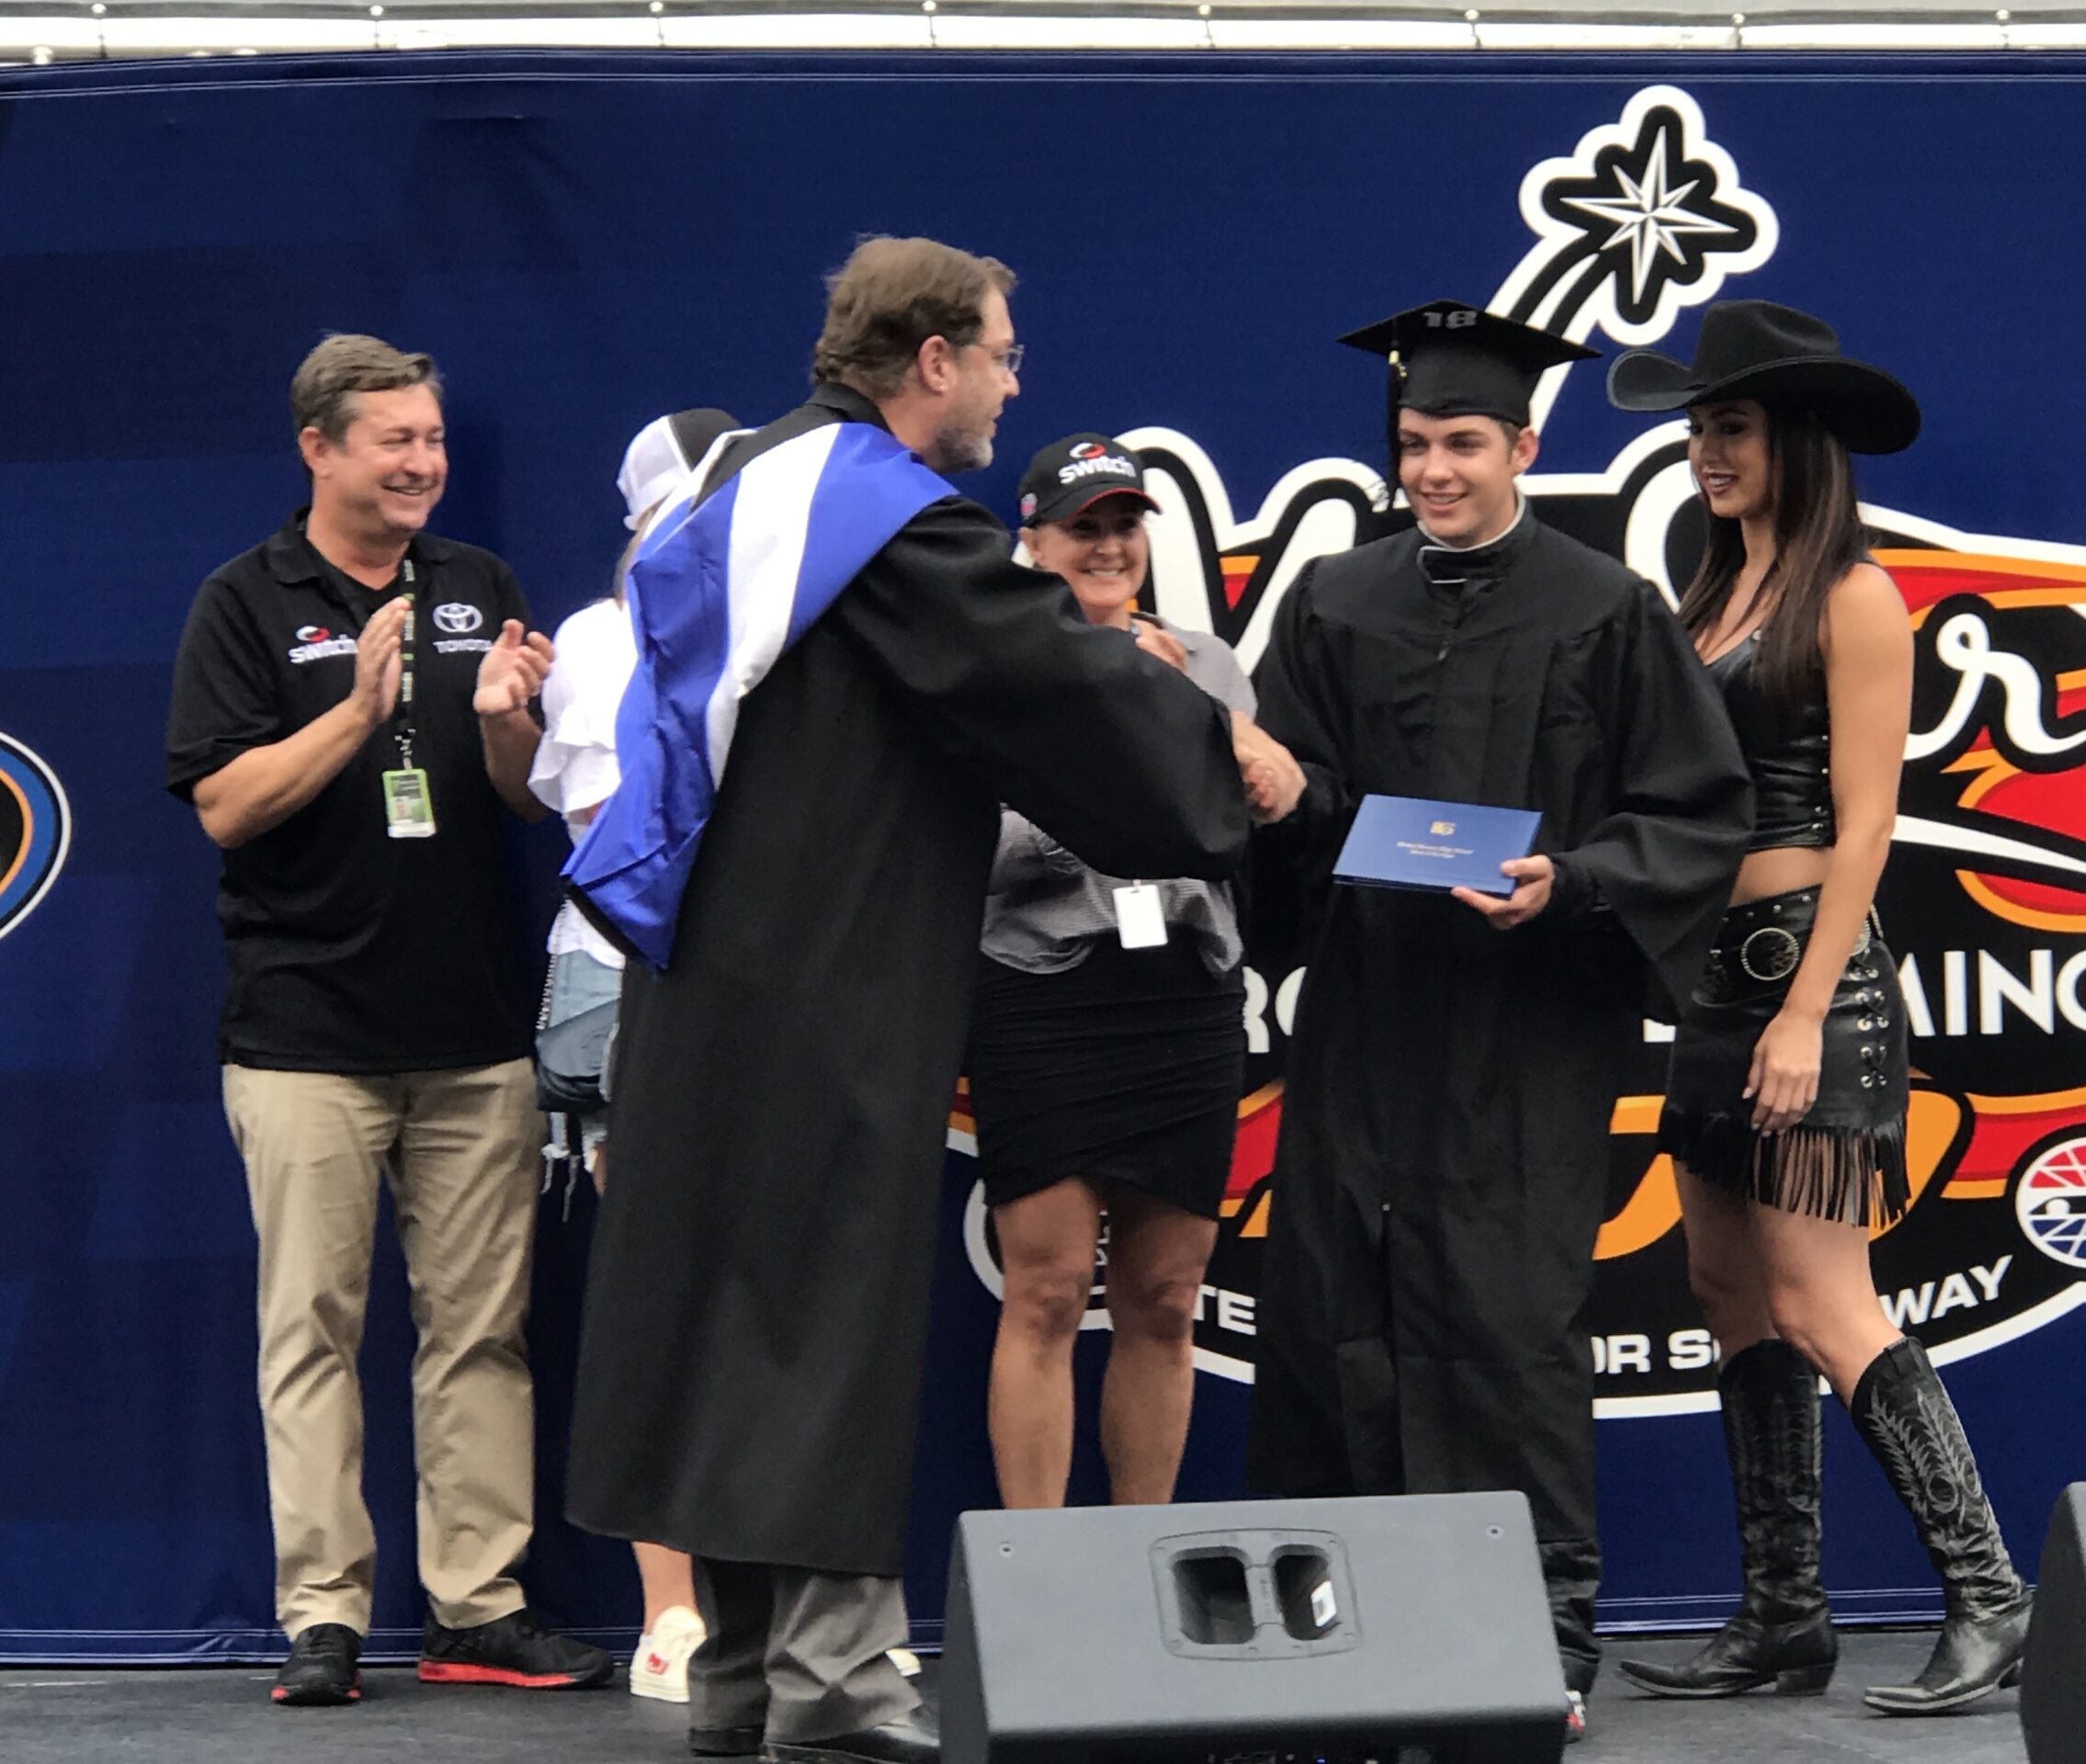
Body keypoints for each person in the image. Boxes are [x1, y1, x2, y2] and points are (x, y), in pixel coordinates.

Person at [562, 239, 1273, 1764]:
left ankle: (746, 1683)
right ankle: (833, 1692)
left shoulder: (748, 488)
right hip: (823, 986)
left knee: (740, 1321)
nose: (1012, 387)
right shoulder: (875, 519)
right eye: (1003, 356)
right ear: (933, 358)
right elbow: (1047, 680)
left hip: (714, 982)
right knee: (820, 1320)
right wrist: (1222, 756)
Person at [1242, 300, 1755, 1748]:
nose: (1433, 471)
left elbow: (1694, 813)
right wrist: (1274, 796)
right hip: (1368, 1014)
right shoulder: (1335, 601)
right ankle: (1335, 1629)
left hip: (1528, 1028)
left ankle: (1536, 1638)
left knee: (1507, 1320)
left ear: (1524, 446)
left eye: (1462, 443)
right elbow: (1305, 807)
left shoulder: (1606, 609)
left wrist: (1573, 880)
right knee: (1338, 1308)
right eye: (1414, 444)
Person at [163, 334, 613, 1707]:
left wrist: (508, 723)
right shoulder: (246, 601)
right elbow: (225, 806)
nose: (424, 463)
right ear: (319, 449)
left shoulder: (479, 585)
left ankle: (478, 1608)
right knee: (311, 1332)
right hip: (303, 1037)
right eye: (395, 441)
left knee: (482, 1334)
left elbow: (525, 799)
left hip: (473, 1031)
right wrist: (357, 711)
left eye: (433, 439)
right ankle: (324, 1617)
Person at [1604, 300, 2033, 1715]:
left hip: (1812, 980)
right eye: (1698, 429)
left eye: (1729, 426)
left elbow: (1867, 826)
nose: (1705, 451)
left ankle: (1992, 1595)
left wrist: (1799, 1011)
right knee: (1728, 1292)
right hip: (1711, 986)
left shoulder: (1854, 596)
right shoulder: (1708, 593)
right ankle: (1783, 1615)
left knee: (1819, 1294)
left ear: (1795, 438)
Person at [970, 433, 1253, 1510]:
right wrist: (1123, 753)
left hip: (1183, 997)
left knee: (1167, 1298)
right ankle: (1037, 1575)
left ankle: (1142, 1564)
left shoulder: (1203, 663)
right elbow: (978, 850)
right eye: (1082, 527)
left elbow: (1233, 829)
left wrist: (1180, 713)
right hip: (1043, 997)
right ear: (1032, 542)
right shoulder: (990, 676)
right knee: (1045, 1291)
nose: (1107, 546)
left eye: (1124, 525)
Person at [528, 407, 742, 1702]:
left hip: (765, 990)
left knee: (775, 1303)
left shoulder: (778, 625)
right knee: (668, 1293)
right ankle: (673, 1613)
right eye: (706, 496)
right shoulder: (604, 638)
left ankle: (786, 1609)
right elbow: (619, 833)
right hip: (633, 985)